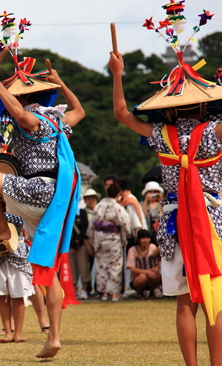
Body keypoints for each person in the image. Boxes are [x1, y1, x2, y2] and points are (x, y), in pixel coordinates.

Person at [108, 6, 222, 363]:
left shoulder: (161, 134)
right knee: (215, 301)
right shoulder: (215, 132)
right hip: (213, 222)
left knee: (184, 304)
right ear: (204, 104)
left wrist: (117, 74)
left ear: (169, 106)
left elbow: (122, 113)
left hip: (173, 226)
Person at [0, 55, 84, 358]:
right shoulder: (59, 119)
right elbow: (80, 111)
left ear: (22, 97)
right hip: (55, 202)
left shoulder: (35, 116)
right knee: (47, 269)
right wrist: (62, 83)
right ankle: (54, 338)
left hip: (38, 191)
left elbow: (23, 119)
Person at [89, 182, 130, 301]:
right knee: (115, 266)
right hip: (113, 239)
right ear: (118, 194)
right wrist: (126, 235)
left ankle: (104, 292)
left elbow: (92, 225)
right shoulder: (118, 208)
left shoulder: (98, 206)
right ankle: (114, 293)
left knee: (102, 266)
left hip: (99, 238)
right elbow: (125, 224)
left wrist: (92, 238)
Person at [69, 188, 99, 300]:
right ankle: (74, 289)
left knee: (84, 267)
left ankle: (84, 290)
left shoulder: (82, 212)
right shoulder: (66, 213)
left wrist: (77, 242)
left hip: (81, 245)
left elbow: (84, 228)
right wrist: (72, 244)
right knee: (73, 269)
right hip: (70, 245)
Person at [126, 230, 161, 299]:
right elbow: (131, 268)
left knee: (157, 276)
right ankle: (139, 292)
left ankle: (152, 292)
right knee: (143, 277)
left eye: (147, 238)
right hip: (138, 277)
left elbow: (157, 263)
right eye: (143, 238)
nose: (145, 240)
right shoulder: (132, 250)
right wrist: (148, 272)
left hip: (152, 275)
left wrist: (156, 269)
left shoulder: (152, 247)